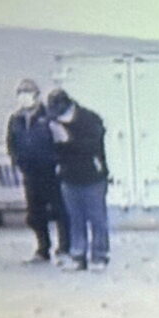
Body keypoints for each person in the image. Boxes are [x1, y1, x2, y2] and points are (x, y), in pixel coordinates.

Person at [5, 79, 70, 265]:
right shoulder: (15, 119)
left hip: (51, 172)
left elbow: (62, 142)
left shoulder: (49, 117)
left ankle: (64, 249)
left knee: (60, 211)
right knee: (35, 213)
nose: (24, 97)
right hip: (30, 173)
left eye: (28, 92)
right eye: (21, 93)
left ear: (36, 95)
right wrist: (17, 161)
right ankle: (43, 249)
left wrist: (58, 162)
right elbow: (11, 143)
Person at [45, 89, 109, 272]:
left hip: (92, 177)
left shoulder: (90, 119)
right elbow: (52, 149)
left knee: (97, 218)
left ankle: (99, 256)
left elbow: (93, 147)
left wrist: (68, 140)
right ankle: (78, 256)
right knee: (75, 219)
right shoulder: (53, 121)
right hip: (68, 177)